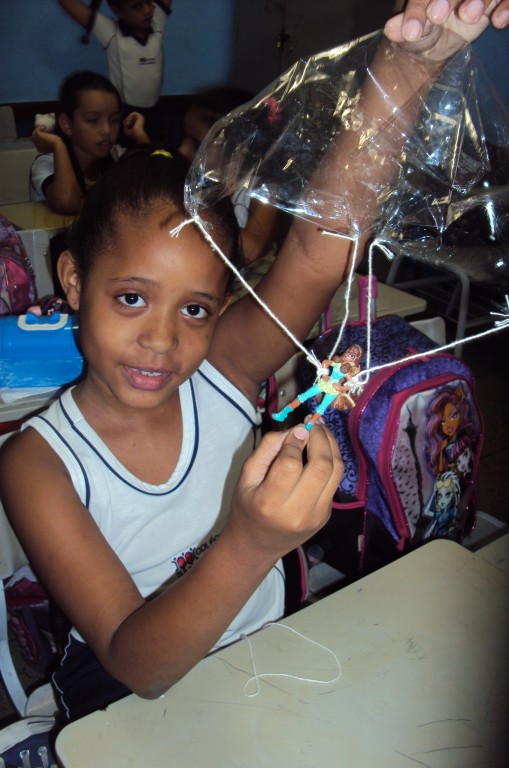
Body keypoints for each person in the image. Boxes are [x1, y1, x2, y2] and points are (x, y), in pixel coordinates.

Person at [0, 0, 502, 724]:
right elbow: (136, 664)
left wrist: (408, 65)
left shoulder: (221, 371)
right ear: (74, 282)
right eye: (132, 298)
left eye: (196, 309)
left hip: (270, 650)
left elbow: (317, 250)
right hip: (131, 703)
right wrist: (251, 542)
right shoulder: (37, 464)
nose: (162, 341)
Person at [57, 1, 173, 141]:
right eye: (137, 7)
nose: (147, 11)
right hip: (126, 115)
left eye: (149, 2)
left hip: (156, 112)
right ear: (117, 10)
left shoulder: (157, 22)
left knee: (156, 153)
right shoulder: (110, 32)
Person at [272, 345, 363, 429]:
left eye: (352, 356)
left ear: (354, 360)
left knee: (321, 408)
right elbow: (325, 362)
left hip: (333, 390)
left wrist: (340, 388)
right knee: (303, 396)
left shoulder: (347, 372)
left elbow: (351, 385)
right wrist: (324, 374)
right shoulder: (337, 364)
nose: (348, 355)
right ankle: (283, 413)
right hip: (324, 383)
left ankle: (309, 425)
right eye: (348, 352)